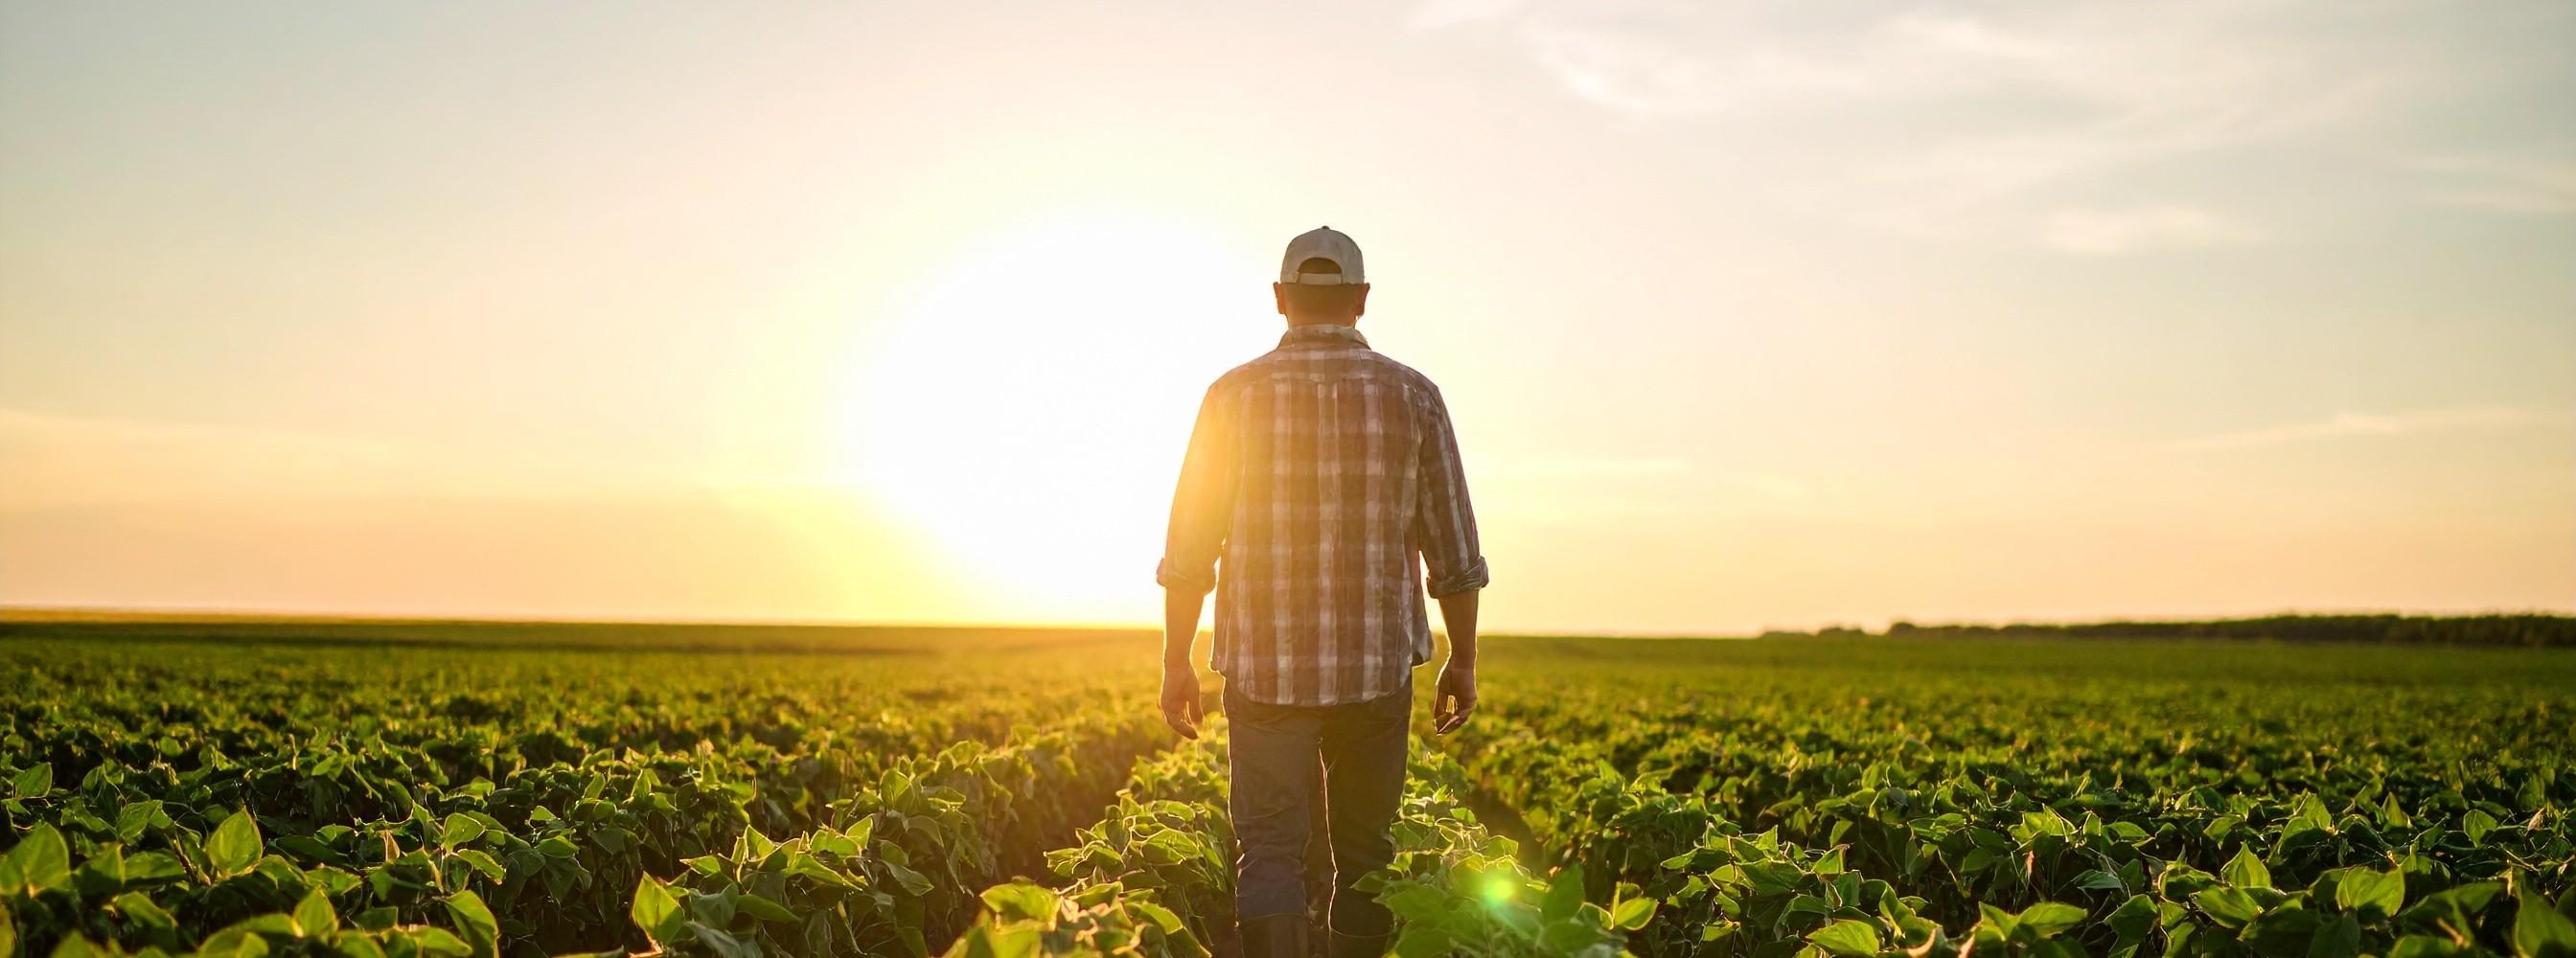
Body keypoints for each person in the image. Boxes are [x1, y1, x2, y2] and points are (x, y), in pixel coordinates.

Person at [1156, 226, 1490, 958]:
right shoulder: (1415, 395)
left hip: (1266, 671)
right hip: (1374, 673)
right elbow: (1455, 551)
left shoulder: (1231, 396)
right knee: (1368, 855)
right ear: (1362, 300)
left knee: (1270, 851)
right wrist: (1460, 660)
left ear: (1280, 299)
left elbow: (1188, 550)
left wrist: (1176, 659)